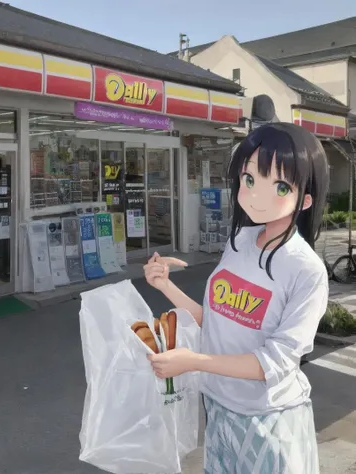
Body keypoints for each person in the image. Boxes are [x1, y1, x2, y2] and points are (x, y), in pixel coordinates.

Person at [144, 123, 329, 474]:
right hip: (218, 406)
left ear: (305, 199)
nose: (256, 195)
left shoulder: (306, 271)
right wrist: (166, 286)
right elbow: (215, 319)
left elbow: (273, 363)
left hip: (269, 420)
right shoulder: (240, 240)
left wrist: (194, 361)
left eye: (278, 186)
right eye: (249, 180)